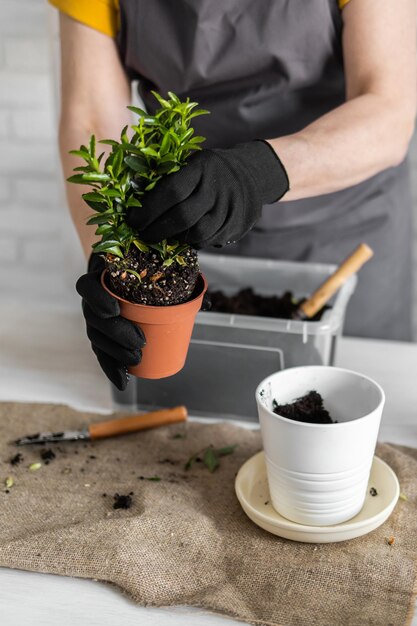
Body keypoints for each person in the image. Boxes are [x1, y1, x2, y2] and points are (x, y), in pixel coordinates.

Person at [51, 0, 416, 391]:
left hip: (343, 231)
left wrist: (255, 172)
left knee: (349, 412)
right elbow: (91, 117)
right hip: (193, 229)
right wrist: (109, 258)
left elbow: (388, 108)